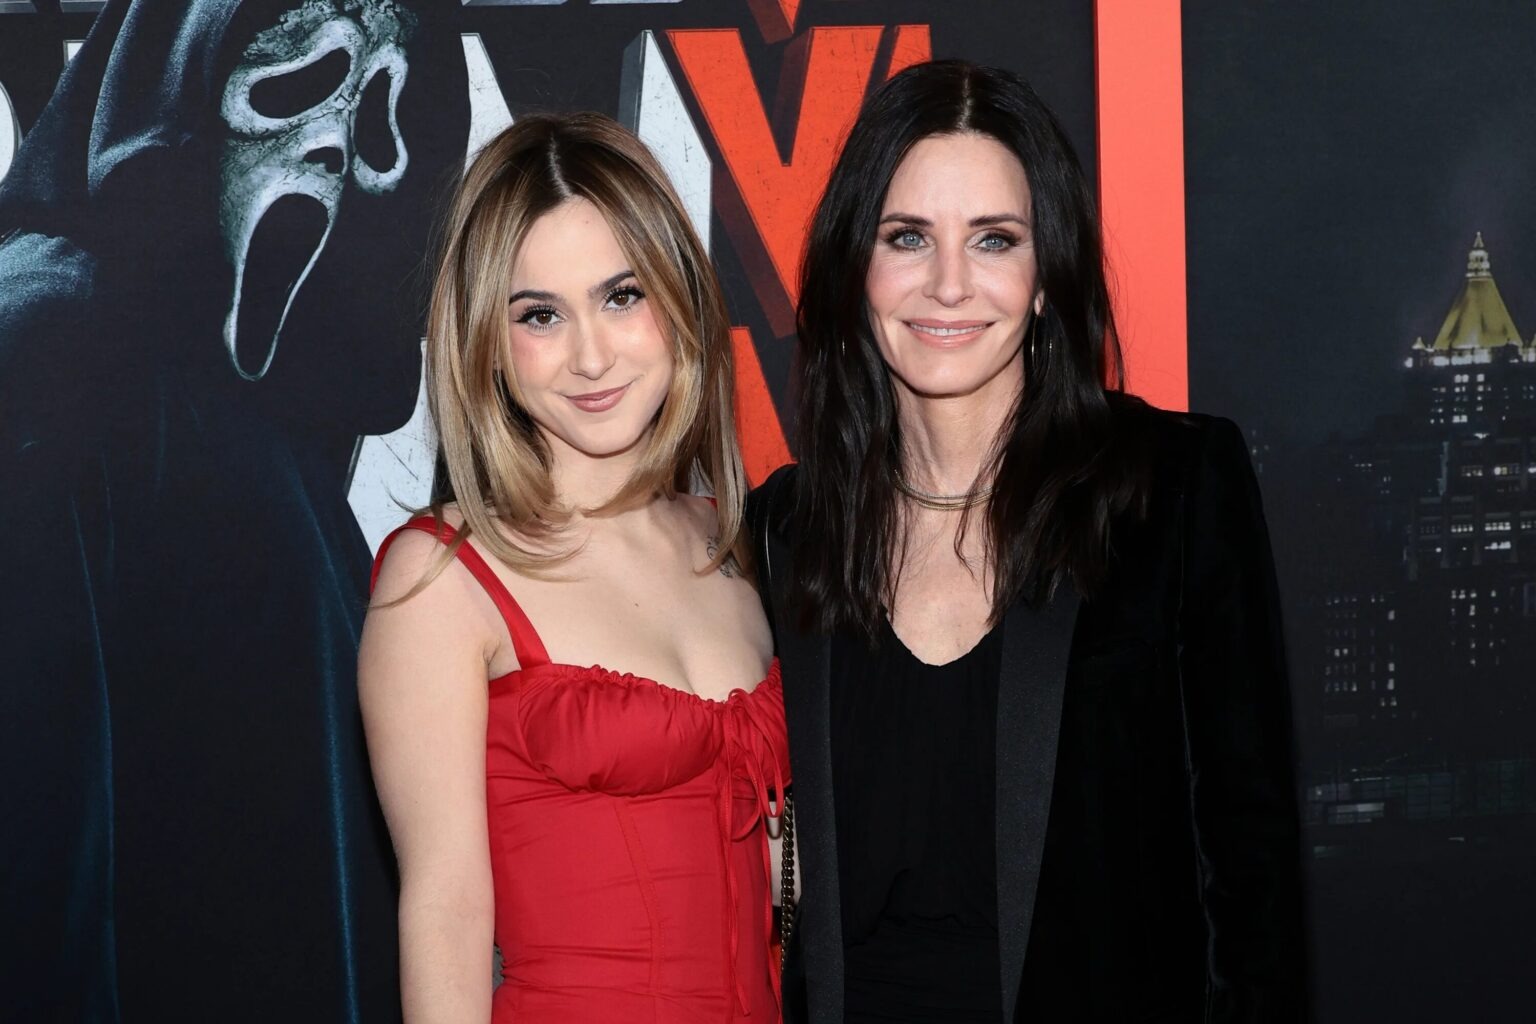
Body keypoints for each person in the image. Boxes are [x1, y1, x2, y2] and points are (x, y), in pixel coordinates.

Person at [748, 60, 1305, 1022]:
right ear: (855, 270)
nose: (949, 284)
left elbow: (1253, 879)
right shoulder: (787, 533)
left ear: (1047, 277)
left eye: (994, 239)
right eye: (907, 237)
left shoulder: (1172, 491)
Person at [360, 113, 788, 1023]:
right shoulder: (440, 579)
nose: (591, 356)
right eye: (541, 316)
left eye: (622, 296)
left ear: (679, 295)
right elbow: (445, 914)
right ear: (486, 339)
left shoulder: (739, 545)